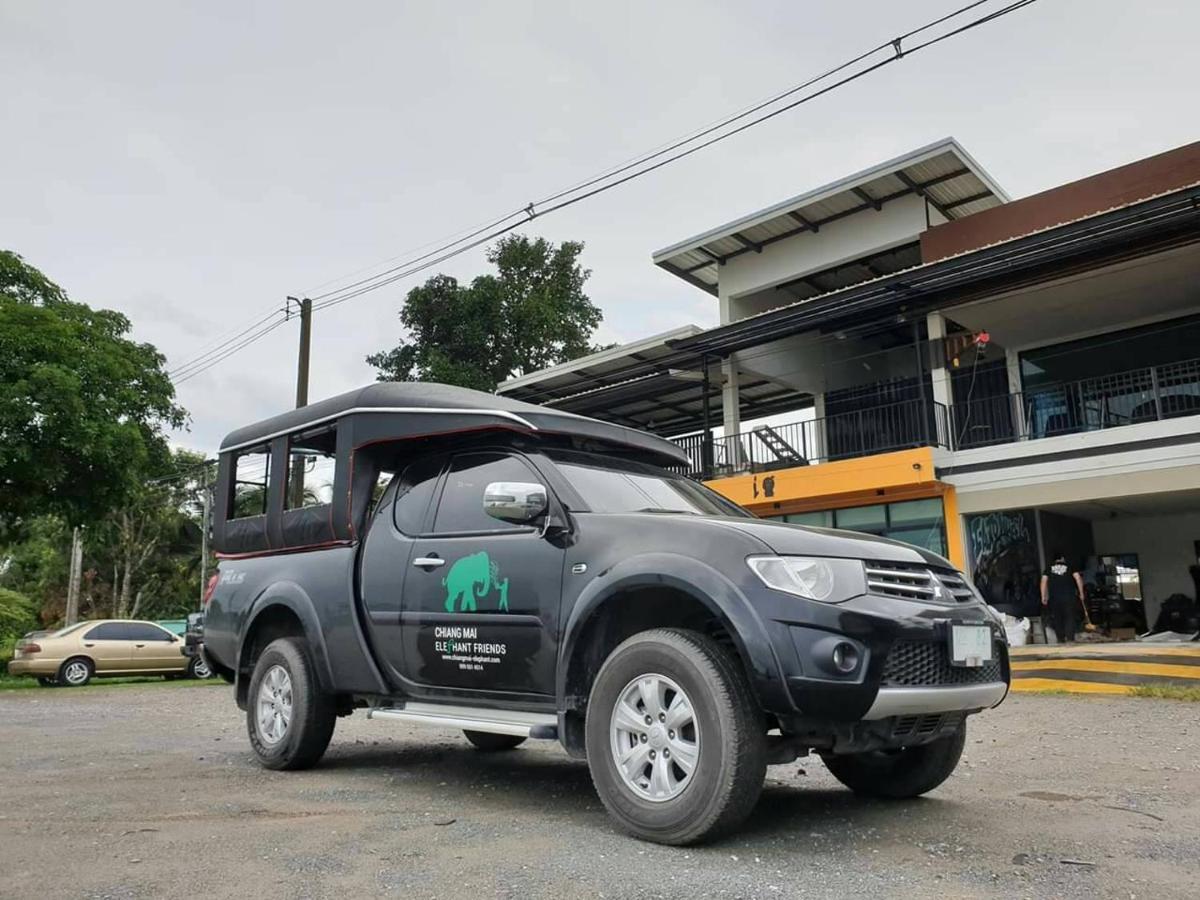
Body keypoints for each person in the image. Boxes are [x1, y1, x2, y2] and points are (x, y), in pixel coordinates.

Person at [1041, 551, 1085, 644]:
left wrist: (1043, 596)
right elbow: (1078, 578)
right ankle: (1070, 639)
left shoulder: (1048, 568)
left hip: (1055, 598)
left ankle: (1060, 639)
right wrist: (1081, 593)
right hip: (1069, 597)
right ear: (1062, 558)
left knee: (1057, 618)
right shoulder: (1070, 566)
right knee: (1069, 617)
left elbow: (1043, 582)